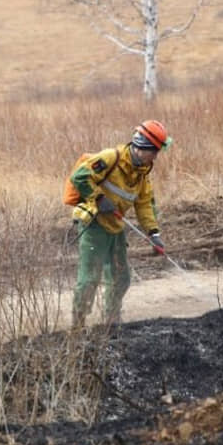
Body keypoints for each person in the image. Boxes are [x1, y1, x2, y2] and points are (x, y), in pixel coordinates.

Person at [69, 120, 172, 329]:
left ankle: (111, 323)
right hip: (94, 224)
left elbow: (144, 205)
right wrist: (98, 198)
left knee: (121, 278)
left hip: (115, 227)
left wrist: (153, 234)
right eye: (155, 151)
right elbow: (79, 177)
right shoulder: (110, 158)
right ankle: (77, 326)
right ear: (143, 147)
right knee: (89, 280)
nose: (156, 156)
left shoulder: (142, 173)